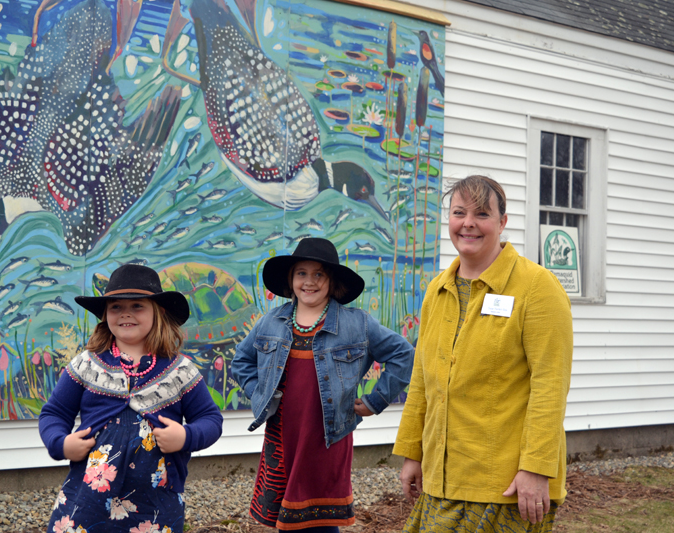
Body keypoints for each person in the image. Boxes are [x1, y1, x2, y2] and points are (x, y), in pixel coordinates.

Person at [394, 175, 573, 532]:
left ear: (502, 222)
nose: (468, 223)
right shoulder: (437, 290)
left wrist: (536, 468)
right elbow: (421, 379)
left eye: (482, 214)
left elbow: (550, 385)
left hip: (504, 485)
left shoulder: (537, 288)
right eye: (459, 213)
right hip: (441, 478)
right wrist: (413, 451)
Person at [232, 237, 415, 532]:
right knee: (286, 521)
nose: (310, 282)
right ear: (291, 279)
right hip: (282, 436)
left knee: (323, 519)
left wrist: (375, 401)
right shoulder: (271, 322)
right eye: (301, 273)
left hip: (328, 438)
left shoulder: (357, 324)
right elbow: (241, 361)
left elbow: (403, 355)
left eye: (319, 274)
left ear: (332, 281)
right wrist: (260, 396)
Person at [39, 264, 223, 533]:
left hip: (156, 503)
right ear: (105, 314)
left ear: (158, 312)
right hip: (89, 498)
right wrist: (61, 443)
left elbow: (210, 419)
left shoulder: (180, 370)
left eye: (138, 305)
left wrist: (185, 437)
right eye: (115, 307)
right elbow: (54, 413)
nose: (125, 313)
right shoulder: (86, 365)